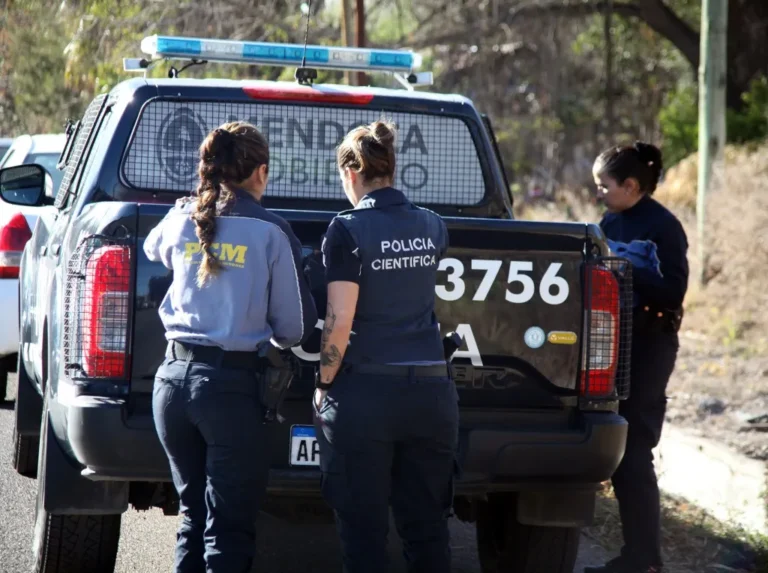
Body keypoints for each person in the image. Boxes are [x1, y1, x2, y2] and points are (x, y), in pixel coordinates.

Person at [143, 121, 317, 573]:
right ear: (260, 171)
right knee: (228, 530)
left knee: (192, 518)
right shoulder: (272, 232)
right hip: (228, 392)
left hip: (171, 386)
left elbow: (151, 249)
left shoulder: (182, 216)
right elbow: (295, 330)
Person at [312, 119, 459, 573]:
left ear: (352, 173)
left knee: (364, 533)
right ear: (391, 170)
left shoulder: (347, 229)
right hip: (431, 397)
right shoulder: (433, 225)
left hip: (366, 398)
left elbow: (340, 320)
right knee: (427, 529)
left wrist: (323, 382)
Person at [585, 142, 689, 573]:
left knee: (634, 450)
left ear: (631, 185)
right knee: (615, 446)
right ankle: (637, 556)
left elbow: (673, 291)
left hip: (651, 346)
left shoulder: (664, 227)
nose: (599, 194)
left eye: (603, 186)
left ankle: (644, 559)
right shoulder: (610, 221)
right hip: (616, 343)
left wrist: (625, 271)